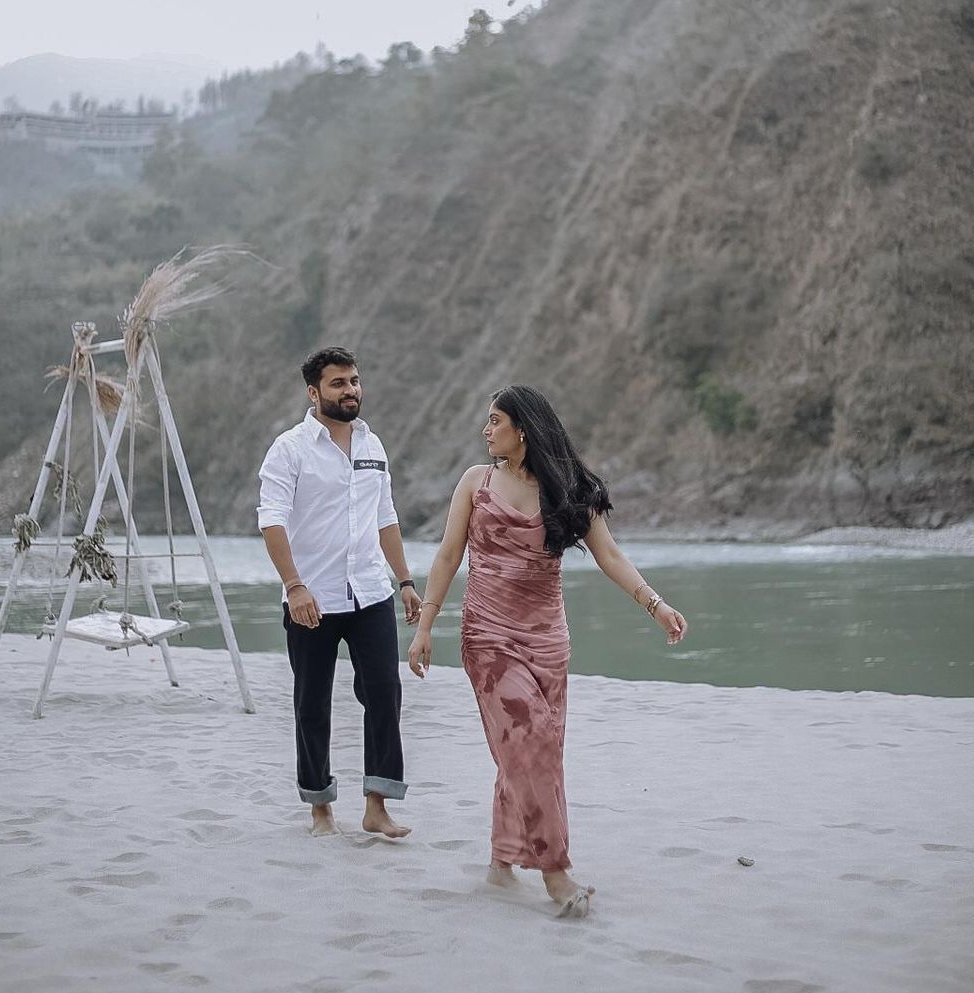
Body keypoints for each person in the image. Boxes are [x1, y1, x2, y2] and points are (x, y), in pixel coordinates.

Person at [407, 384, 687, 916]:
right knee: (530, 741)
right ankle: (556, 874)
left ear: (523, 430)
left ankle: (501, 861)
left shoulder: (569, 488)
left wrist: (657, 605)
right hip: (488, 636)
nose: (486, 430)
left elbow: (609, 554)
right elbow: (446, 558)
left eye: (494, 420)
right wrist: (425, 628)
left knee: (533, 749)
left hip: (548, 641)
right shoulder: (476, 482)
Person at [258, 346, 421, 839]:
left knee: (385, 694)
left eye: (354, 381)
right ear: (314, 392)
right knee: (312, 703)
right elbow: (272, 521)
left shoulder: (373, 445)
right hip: (312, 599)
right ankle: (320, 808)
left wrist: (406, 581)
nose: (351, 390)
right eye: (338, 383)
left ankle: (377, 806)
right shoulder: (289, 449)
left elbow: (385, 518)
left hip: (370, 592)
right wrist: (294, 586)